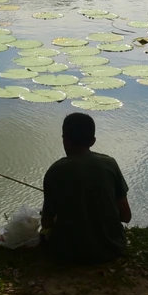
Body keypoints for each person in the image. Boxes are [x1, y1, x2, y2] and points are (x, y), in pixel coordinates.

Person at [41, 113, 131, 263]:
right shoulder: (110, 164)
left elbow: (46, 223)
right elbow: (126, 216)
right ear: (93, 141)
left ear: (65, 139)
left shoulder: (55, 170)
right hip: (113, 249)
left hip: (68, 253)